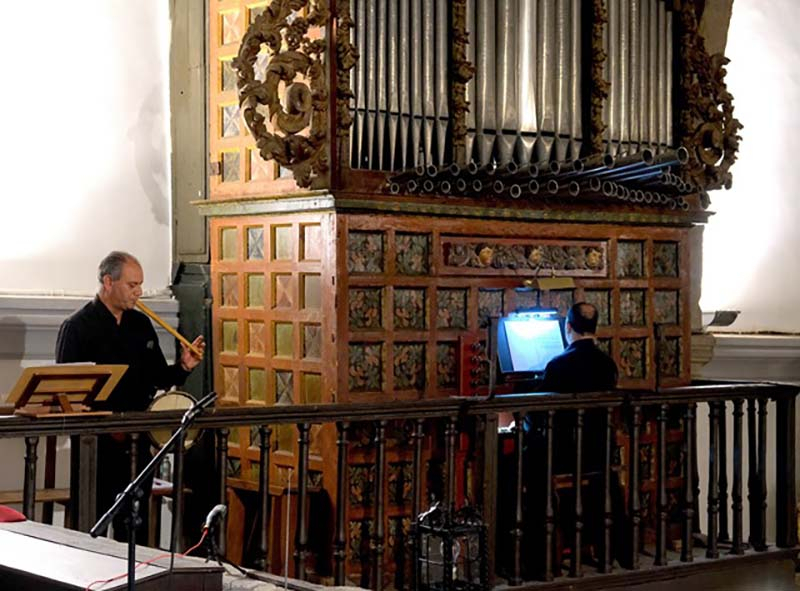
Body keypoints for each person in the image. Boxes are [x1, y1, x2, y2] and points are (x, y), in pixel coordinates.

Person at [56, 251, 205, 543]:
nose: (138, 293)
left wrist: (184, 367)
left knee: (135, 523)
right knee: (93, 523)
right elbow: (66, 388)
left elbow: (158, 377)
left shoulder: (140, 324)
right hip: (96, 442)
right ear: (108, 282)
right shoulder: (77, 326)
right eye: (132, 285)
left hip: (137, 437)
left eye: (141, 285)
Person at [521, 302, 619, 577]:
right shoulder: (608, 365)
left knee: (519, 463)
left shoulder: (558, 365)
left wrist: (524, 424)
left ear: (568, 328)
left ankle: (539, 557)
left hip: (563, 456)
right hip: (598, 454)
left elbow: (539, 416)